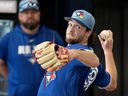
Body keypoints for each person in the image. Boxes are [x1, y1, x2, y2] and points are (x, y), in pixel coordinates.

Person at [37, 10, 117, 96]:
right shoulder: (69, 51)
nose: (71, 29)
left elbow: (94, 60)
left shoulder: (82, 53)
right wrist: (108, 51)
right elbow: (111, 85)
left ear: (88, 33)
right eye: (70, 25)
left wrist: (74, 53)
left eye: (77, 27)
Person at [0, 0, 65, 96]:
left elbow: (64, 62)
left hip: (48, 93)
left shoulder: (52, 36)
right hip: (17, 93)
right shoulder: (8, 39)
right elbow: (1, 63)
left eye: (33, 12)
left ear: (39, 14)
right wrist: (13, 79)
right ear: (19, 15)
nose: (30, 15)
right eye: (26, 12)